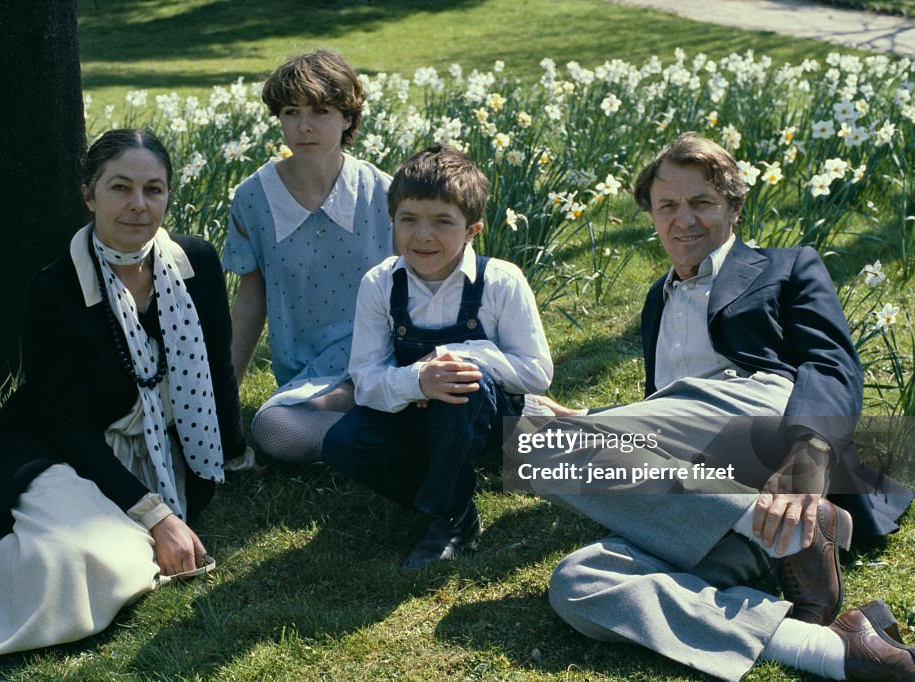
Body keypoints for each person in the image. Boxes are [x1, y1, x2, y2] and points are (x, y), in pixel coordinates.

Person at [534, 132, 914, 680]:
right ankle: (833, 647)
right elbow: (671, 416)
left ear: (735, 207)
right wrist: (591, 427)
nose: (683, 219)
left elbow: (831, 366)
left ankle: (785, 522)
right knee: (580, 581)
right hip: (733, 493)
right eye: (667, 206)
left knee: (543, 441)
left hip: (778, 428)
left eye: (701, 203)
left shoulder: (786, 268)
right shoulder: (654, 302)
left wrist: (808, 457)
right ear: (652, 216)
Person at [0, 129, 247, 655]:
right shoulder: (54, 289)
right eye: (120, 188)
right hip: (60, 453)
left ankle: (24, 564)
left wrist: (233, 452)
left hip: (153, 452)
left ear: (169, 195)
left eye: (154, 190)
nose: (138, 206)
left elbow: (216, 369)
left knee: (117, 561)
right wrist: (159, 516)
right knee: (84, 560)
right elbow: (71, 430)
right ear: (89, 194)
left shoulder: (196, 264)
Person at [323, 144, 553, 570]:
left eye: (442, 222)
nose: (422, 236)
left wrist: (459, 356)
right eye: (408, 220)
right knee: (342, 444)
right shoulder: (380, 284)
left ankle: (447, 519)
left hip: (483, 418)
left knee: (462, 377)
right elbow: (367, 378)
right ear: (392, 221)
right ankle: (454, 498)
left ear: (472, 230)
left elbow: (537, 373)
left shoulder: (500, 281)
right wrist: (418, 381)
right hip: (414, 413)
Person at [223, 49, 393, 464]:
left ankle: (570, 439)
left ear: (348, 118)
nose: (304, 127)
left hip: (388, 361)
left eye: (320, 111)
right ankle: (412, 435)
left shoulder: (385, 193)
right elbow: (250, 301)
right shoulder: (252, 199)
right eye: (291, 112)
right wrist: (221, 407)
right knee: (275, 429)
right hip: (312, 383)